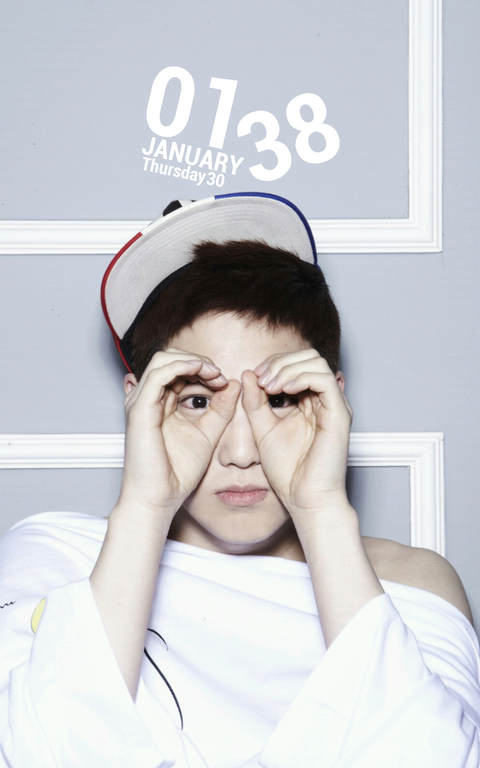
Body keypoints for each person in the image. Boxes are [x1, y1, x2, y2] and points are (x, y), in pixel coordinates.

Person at [0, 192, 479, 767]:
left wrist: (322, 511)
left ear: (331, 401)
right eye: (198, 400)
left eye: (278, 399)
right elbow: (35, 754)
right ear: (137, 405)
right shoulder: (57, 556)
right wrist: (145, 507)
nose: (242, 451)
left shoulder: (411, 581)